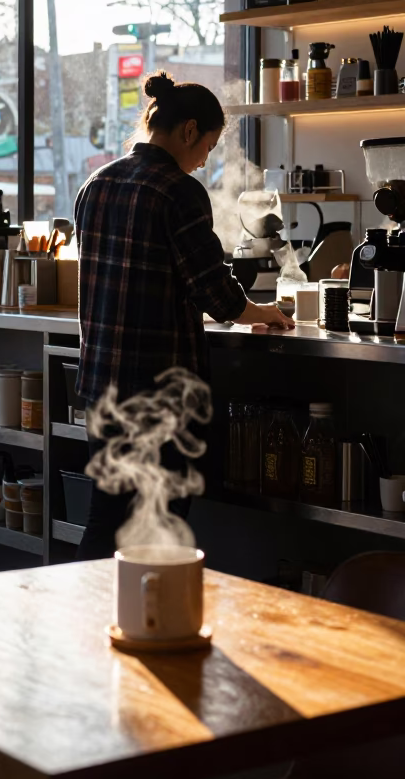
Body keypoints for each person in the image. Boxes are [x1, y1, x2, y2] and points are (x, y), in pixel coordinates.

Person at [75, 71, 294, 560]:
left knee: (105, 520)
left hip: (102, 389)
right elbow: (215, 293)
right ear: (190, 131)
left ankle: (85, 625)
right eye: (209, 148)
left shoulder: (96, 184)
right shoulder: (177, 190)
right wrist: (265, 312)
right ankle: (153, 628)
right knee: (159, 529)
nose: (204, 161)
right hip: (159, 395)